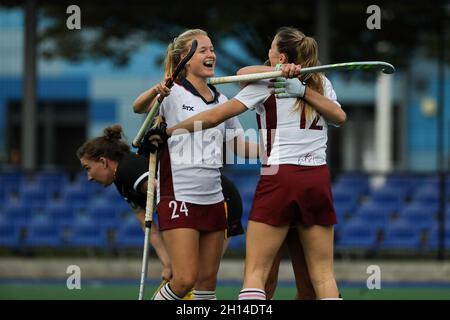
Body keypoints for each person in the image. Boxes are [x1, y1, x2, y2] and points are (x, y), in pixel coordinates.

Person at [162, 26, 346, 300]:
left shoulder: (266, 82)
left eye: (271, 48)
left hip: (280, 176)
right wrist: (302, 88)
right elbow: (339, 116)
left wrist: (169, 131)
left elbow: (215, 116)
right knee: (323, 275)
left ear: (281, 57)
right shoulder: (319, 82)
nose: (267, 52)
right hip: (317, 179)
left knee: (255, 274)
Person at [132, 29, 254, 300]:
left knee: (207, 282)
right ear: (185, 59)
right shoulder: (172, 92)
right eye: (203, 50)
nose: (211, 54)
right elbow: (138, 107)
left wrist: (274, 151)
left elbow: (238, 146)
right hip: (180, 195)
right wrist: (158, 90)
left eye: (212, 49)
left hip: (213, 197)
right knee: (184, 279)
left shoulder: (222, 100)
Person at [76, 124, 245, 299]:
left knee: (195, 280)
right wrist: (168, 263)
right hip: (200, 204)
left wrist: (176, 260)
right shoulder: (121, 182)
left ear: (103, 161)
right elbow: (148, 226)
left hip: (219, 200)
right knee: (192, 281)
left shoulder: (128, 169)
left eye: (88, 168)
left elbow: (163, 190)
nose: (88, 177)